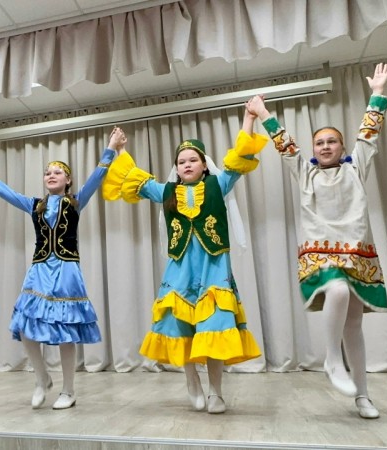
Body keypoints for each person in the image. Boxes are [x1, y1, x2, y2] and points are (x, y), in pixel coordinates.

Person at [247, 63, 387, 419]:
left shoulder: (356, 167)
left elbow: (369, 134)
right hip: (321, 254)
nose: (325, 146)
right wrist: (263, 113)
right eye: (320, 142)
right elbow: (284, 144)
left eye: (332, 141)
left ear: (342, 146)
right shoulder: (306, 172)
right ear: (313, 148)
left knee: (354, 325)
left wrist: (378, 93)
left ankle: (363, 396)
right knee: (337, 291)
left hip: (357, 254)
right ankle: (331, 357)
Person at [102, 115, 266, 414]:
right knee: (181, 327)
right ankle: (191, 379)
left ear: (204, 164)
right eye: (181, 162)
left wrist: (248, 119)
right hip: (180, 269)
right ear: (176, 168)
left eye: (193, 160)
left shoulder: (219, 184)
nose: (187, 165)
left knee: (214, 327)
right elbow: (135, 179)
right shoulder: (166, 191)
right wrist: (121, 149)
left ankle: (216, 392)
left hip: (213, 267)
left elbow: (240, 158)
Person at [0, 132, 122, 409]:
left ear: (68, 180)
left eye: (57, 172)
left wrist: (110, 149)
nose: (51, 175)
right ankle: (42, 378)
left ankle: (68, 390)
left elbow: (97, 177)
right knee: (25, 327)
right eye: (47, 172)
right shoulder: (34, 204)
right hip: (40, 269)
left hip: (67, 270)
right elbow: (3, 191)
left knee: (65, 331)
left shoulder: (76, 201)